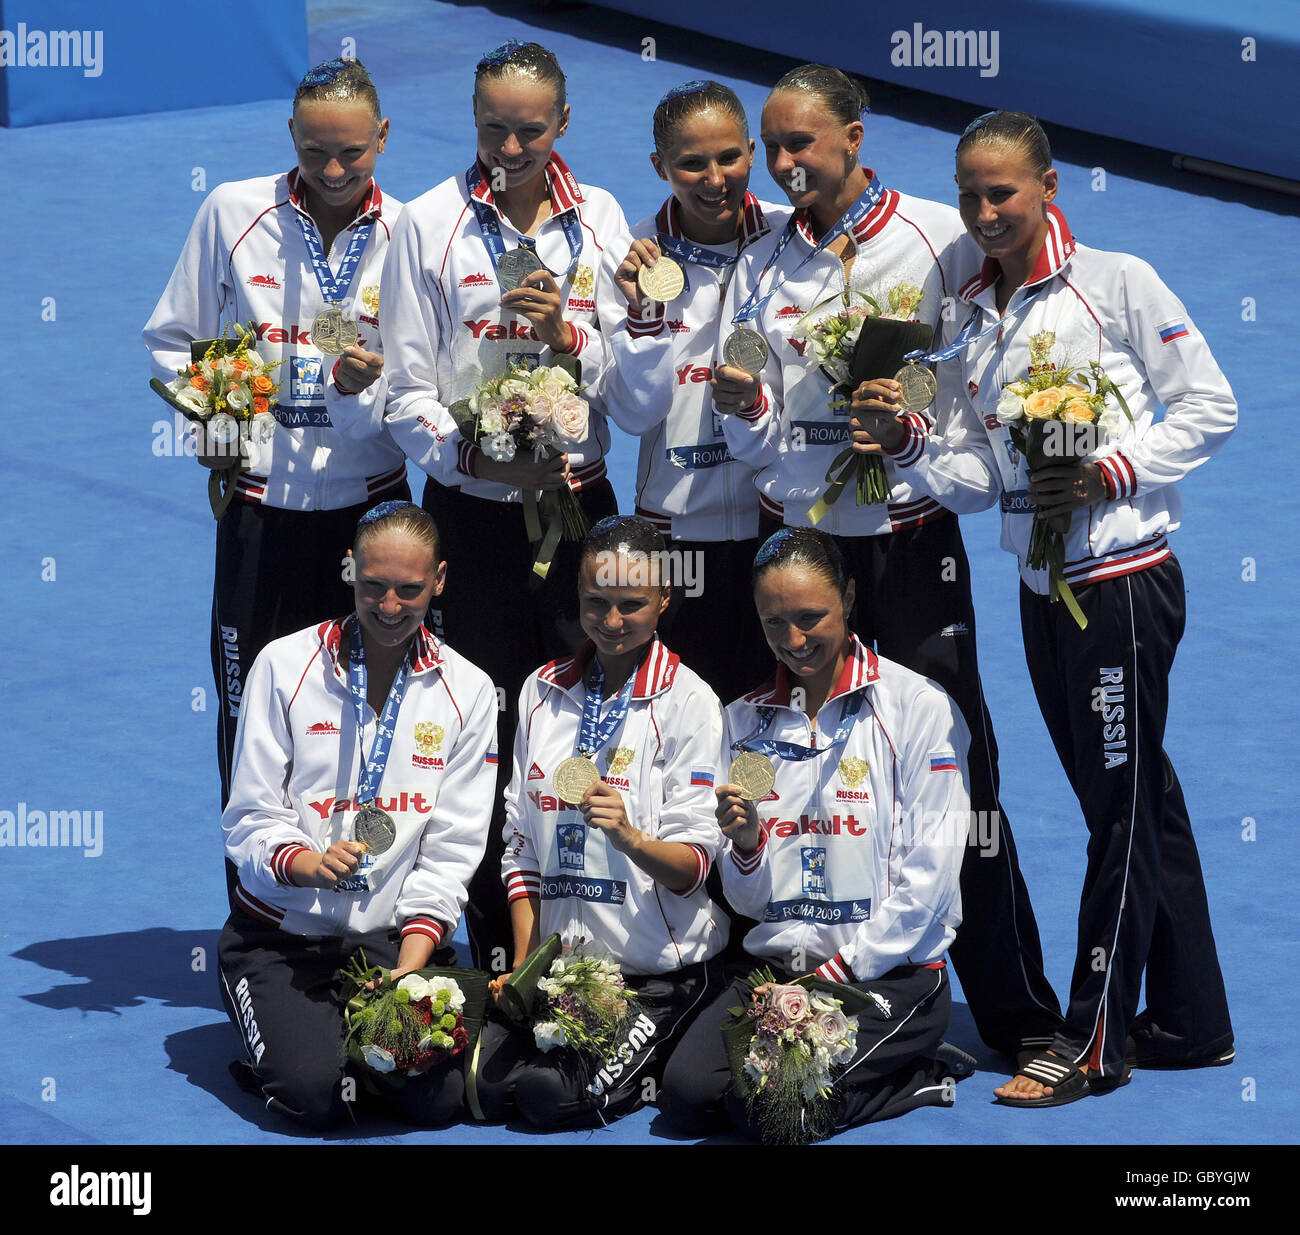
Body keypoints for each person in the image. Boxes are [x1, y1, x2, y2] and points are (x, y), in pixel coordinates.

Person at [858, 110, 1235, 1104]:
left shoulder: (1117, 282)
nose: (984, 212)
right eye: (970, 193)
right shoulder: (973, 312)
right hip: (1037, 588)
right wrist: (906, 450)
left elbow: (1209, 403)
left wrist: (1115, 467)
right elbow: (980, 472)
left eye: (1003, 193)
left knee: (1116, 813)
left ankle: (1091, 1040)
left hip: (1117, 585)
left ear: (1048, 186)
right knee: (1134, 797)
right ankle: (1192, 1019)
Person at [713, 64, 1061, 1059]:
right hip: (794, 556)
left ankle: (1020, 1013)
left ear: (855, 136)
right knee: (771, 769)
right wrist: (746, 414)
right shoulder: (760, 262)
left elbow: (970, 410)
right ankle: (767, 1003)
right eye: (771, 147)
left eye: (801, 145)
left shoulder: (935, 246)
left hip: (908, 553)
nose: (781, 166)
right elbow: (751, 442)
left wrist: (905, 435)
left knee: (962, 780)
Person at [380, 40, 626, 972]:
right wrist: (471, 451)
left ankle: (587, 940)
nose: (510, 147)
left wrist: (570, 335)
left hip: (574, 508)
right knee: (477, 729)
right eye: (492, 128)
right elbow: (404, 391)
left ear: (563, 123)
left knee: (583, 721)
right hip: (475, 518)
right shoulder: (429, 221)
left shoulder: (600, 220)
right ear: (471, 118)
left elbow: (626, 380)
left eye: (529, 129)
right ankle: (488, 943)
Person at [143, 59, 410, 892]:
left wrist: (385, 390)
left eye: (353, 155)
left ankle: (374, 906)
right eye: (315, 151)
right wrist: (216, 409)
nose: (333, 173)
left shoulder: (412, 230)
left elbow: (434, 374)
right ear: (291, 136)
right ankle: (257, 909)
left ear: (384, 140)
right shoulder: (231, 209)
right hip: (260, 513)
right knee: (248, 712)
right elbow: (173, 335)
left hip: (372, 518)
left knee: (376, 713)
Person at [658, 528, 973, 1139]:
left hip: (889, 976)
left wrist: (842, 971)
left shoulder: (918, 706)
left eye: (811, 618)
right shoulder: (741, 722)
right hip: (783, 974)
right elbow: (749, 904)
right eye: (775, 623)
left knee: (768, 1111)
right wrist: (747, 848)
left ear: (849, 597)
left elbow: (931, 878)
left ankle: (917, 1076)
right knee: (686, 1093)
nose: (794, 641)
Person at [216, 501, 498, 1130]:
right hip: (283, 939)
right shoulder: (284, 666)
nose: (390, 606)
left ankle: (333, 1041)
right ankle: (283, 1039)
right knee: (313, 1099)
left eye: (410, 589)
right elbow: (247, 817)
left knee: (437, 1104)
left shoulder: (470, 690)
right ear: (349, 570)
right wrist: (306, 864)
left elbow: (452, 848)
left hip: (389, 944)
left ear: (441, 580)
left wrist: (413, 960)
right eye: (373, 586)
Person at [473, 515, 728, 1129]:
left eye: (631, 605)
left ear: (665, 598)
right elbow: (520, 846)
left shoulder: (691, 703)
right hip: (563, 975)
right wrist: (528, 968)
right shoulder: (540, 691)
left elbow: (694, 868)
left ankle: (677, 1034)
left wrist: (630, 837)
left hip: (654, 975)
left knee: (545, 1098)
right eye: (596, 602)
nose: (611, 622)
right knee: (478, 1089)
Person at [596, 79, 786, 706]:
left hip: (774, 522)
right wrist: (646, 318)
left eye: (728, 156)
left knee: (774, 716)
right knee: (680, 725)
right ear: (659, 166)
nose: (714, 178)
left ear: (752, 151)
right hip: (676, 534)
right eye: (691, 163)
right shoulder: (629, 258)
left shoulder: (791, 244)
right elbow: (629, 414)